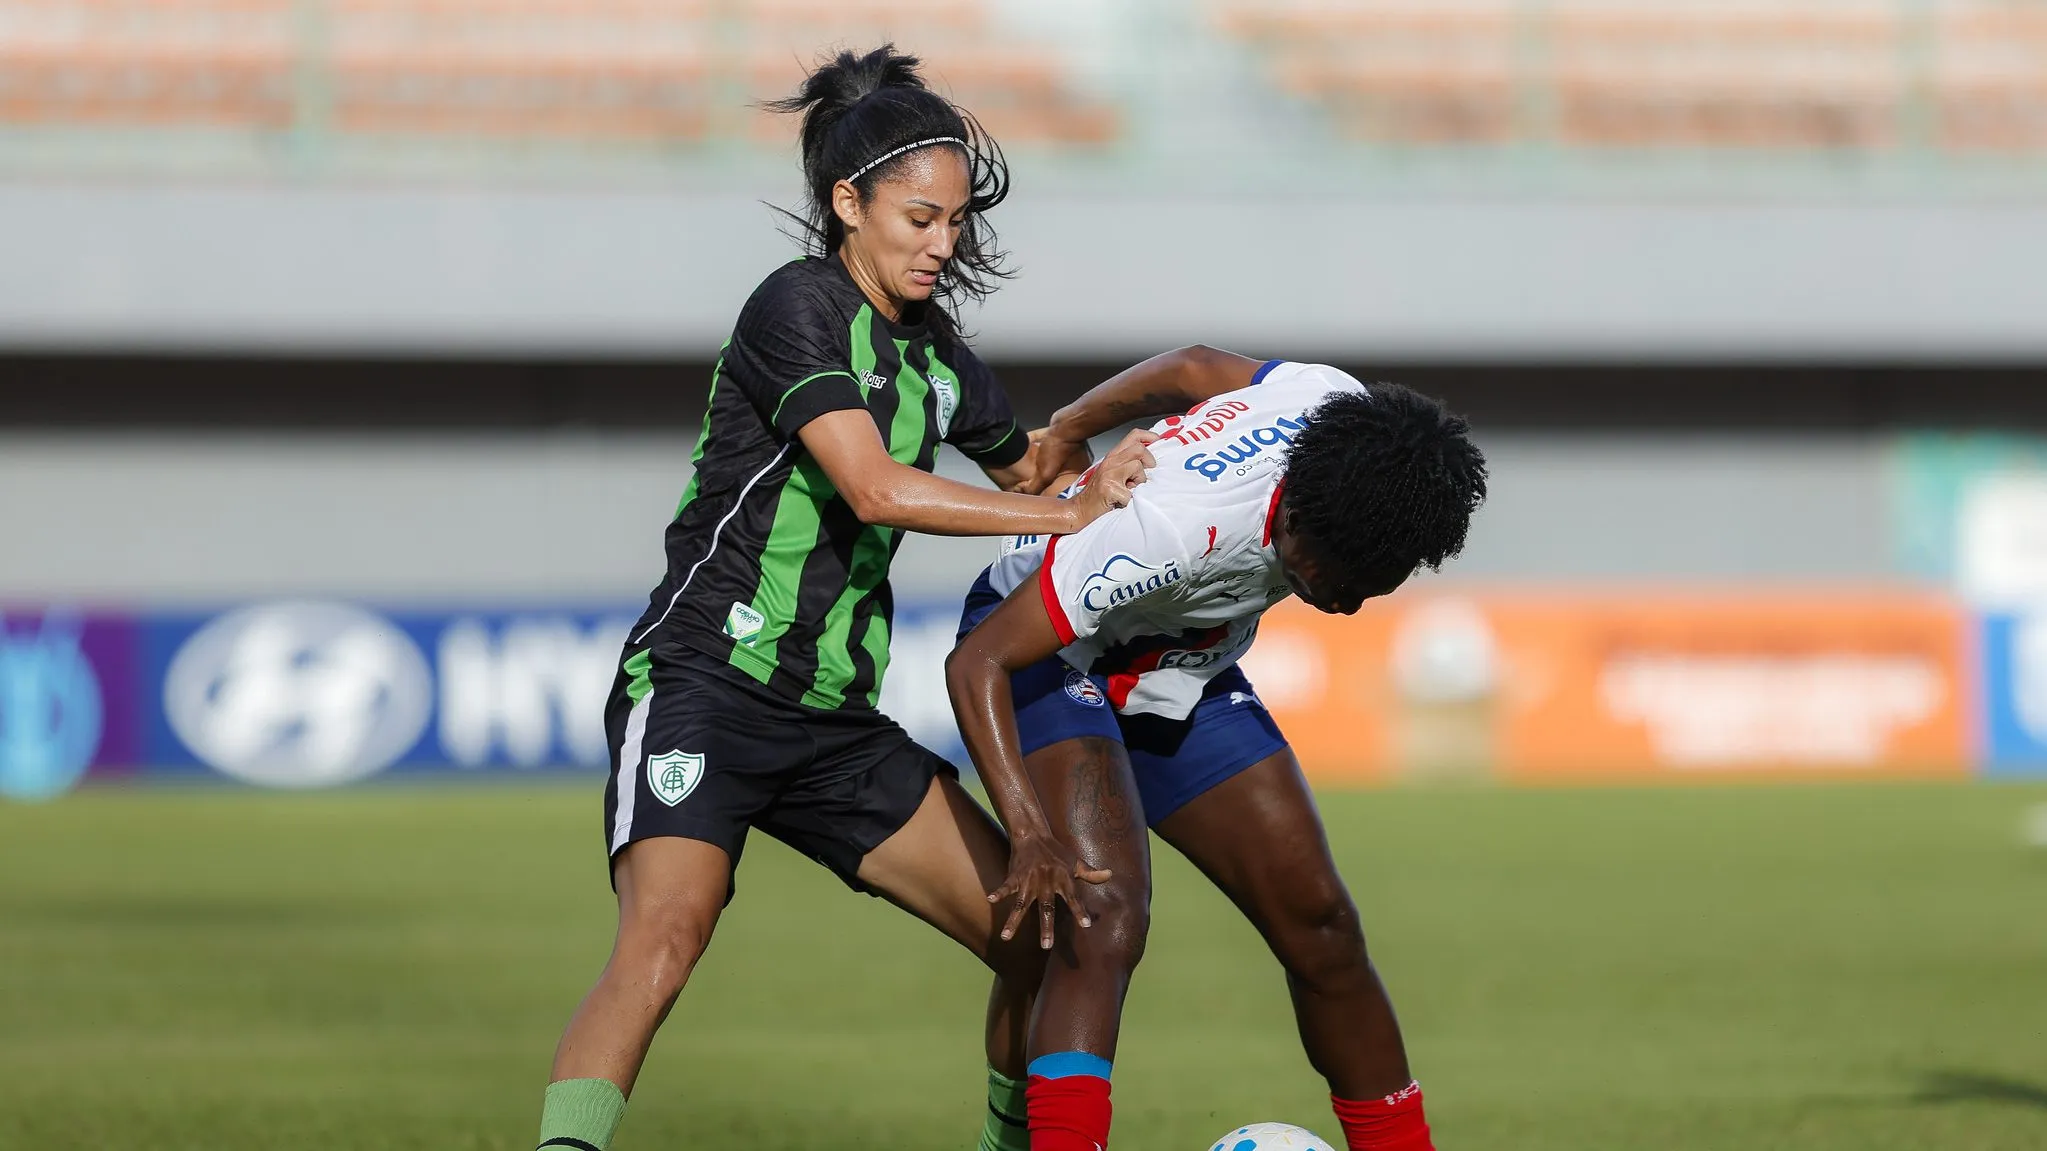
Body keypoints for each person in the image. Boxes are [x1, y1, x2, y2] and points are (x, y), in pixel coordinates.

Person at [532, 47, 1154, 1151]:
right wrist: (1069, 514)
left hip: (832, 723)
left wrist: (1155, 431)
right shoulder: (796, 309)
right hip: (705, 684)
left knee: (1038, 936)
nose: (942, 242)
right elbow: (874, 487)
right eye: (919, 217)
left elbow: (1034, 468)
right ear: (846, 202)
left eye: (955, 221)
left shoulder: (942, 361)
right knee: (666, 937)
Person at [948, 346, 1488, 1151]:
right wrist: (1027, 829)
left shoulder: (1335, 414)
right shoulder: (1171, 527)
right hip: (1049, 657)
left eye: (1374, 585)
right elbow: (977, 660)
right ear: (1295, 514)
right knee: (1103, 916)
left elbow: (1198, 365)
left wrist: (1071, 423)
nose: (1344, 604)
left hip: (1178, 667)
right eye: (1336, 576)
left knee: (1322, 923)